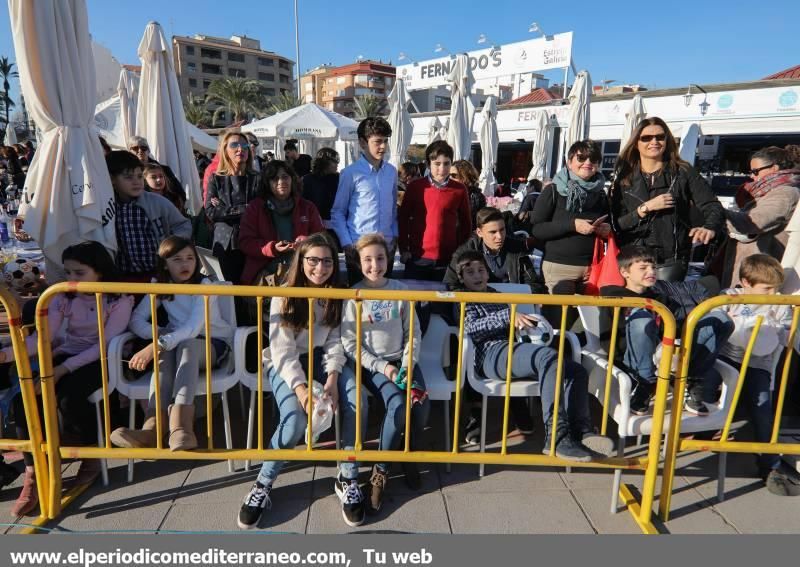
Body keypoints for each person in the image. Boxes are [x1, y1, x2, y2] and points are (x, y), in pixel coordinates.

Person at [237, 233, 368, 530]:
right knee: (294, 419)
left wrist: (333, 378)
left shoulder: (337, 293)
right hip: (287, 364)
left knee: (355, 401)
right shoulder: (284, 294)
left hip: (323, 360)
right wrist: (301, 389)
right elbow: (282, 350)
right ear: (301, 261)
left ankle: (347, 477)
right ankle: (263, 483)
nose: (320, 268)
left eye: (326, 261)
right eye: (313, 260)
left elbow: (336, 341)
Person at [0, 241, 134, 516]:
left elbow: (104, 344)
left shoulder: (119, 298)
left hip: (102, 360)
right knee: (24, 398)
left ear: (100, 272)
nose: (71, 279)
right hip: (64, 355)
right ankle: (34, 471)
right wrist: (7, 354)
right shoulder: (60, 297)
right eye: (68, 272)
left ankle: (91, 454)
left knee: (68, 398)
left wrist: (62, 369)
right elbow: (42, 338)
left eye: (79, 273)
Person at [455, 250, 612, 460]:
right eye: (470, 272)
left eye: (481, 270)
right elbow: (470, 328)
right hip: (488, 354)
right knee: (549, 358)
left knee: (576, 370)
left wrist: (529, 326)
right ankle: (556, 437)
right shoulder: (462, 299)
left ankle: (581, 430)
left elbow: (512, 325)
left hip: (513, 349)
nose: (477, 275)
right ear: (461, 278)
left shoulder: (497, 295)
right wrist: (508, 316)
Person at [110, 236, 234, 452]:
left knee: (186, 345)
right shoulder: (160, 286)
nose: (185, 264)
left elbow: (193, 329)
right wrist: (161, 335)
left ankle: (181, 427)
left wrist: (157, 343)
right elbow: (136, 320)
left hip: (214, 344)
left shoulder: (205, 286)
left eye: (190, 258)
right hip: (177, 344)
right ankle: (152, 427)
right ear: (164, 264)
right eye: (177, 259)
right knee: (168, 351)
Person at [340, 233, 429, 513]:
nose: (375, 265)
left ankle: (408, 453)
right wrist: (384, 368)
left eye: (380, 258)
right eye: (368, 259)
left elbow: (412, 333)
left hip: (403, 363)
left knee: (421, 406)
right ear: (358, 262)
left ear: (388, 259)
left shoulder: (400, 289)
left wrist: (405, 365)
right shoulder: (353, 295)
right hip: (374, 366)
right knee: (399, 405)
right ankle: (381, 470)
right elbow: (350, 344)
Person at [704, 254, 800, 496]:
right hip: (724, 358)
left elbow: (790, 334)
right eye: (767, 288)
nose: (772, 293)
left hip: (759, 363)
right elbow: (710, 324)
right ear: (746, 282)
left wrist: (775, 330)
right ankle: (696, 432)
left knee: (762, 408)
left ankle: (770, 465)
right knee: (705, 387)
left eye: (775, 289)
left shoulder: (779, 303)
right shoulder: (729, 297)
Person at [601, 245, 734, 416]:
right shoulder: (613, 296)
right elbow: (609, 338)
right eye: (643, 268)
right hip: (631, 358)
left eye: (653, 267)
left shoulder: (661, 298)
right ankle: (646, 385)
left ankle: (692, 381)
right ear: (625, 272)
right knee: (641, 318)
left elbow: (678, 327)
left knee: (722, 320)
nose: (651, 271)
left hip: (664, 356)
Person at [610, 117, 724, 281]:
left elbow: (712, 205)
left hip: (670, 260)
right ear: (636, 143)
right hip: (632, 259)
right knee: (632, 306)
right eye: (646, 138)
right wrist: (645, 209)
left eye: (660, 137)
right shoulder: (624, 178)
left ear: (667, 140)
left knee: (663, 305)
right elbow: (617, 225)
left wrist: (709, 227)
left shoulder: (683, 171)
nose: (654, 141)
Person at [531, 140, 611, 295]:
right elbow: (536, 229)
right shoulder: (553, 190)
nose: (587, 162)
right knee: (559, 317)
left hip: (592, 268)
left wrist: (606, 230)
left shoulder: (600, 194)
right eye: (581, 158)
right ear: (569, 162)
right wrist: (572, 225)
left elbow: (608, 225)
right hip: (559, 268)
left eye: (593, 159)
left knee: (588, 318)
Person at [718, 146, 800, 288]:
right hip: (751, 275)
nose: (752, 176)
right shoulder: (768, 192)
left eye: (755, 171)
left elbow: (753, 222)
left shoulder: (786, 194)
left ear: (774, 168)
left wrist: (714, 211)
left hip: (761, 279)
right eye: (750, 172)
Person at [331, 117, 398, 285]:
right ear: (362, 142)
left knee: (384, 303)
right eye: (377, 142)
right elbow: (337, 212)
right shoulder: (350, 173)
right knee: (359, 302)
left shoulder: (391, 172)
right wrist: (347, 244)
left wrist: (395, 236)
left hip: (386, 248)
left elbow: (393, 210)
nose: (383, 146)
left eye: (385, 141)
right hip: (358, 249)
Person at [107, 151, 192, 282]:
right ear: (112, 179)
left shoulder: (157, 202)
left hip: (158, 273)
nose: (136, 182)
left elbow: (183, 224)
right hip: (124, 276)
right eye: (128, 177)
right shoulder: (109, 207)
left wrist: (172, 244)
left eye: (140, 176)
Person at [238, 160, 324, 286]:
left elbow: (322, 238)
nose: (281, 182)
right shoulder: (255, 208)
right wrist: (272, 248)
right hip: (266, 277)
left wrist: (307, 242)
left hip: (302, 273)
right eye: (274, 178)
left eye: (285, 177)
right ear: (267, 183)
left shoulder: (308, 207)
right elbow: (245, 242)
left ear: (292, 179)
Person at [399, 141, 472, 281]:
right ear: (428, 164)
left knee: (444, 301)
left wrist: (460, 252)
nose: (442, 169)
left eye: (446, 163)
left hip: (448, 258)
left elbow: (466, 223)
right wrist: (404, 249)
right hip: (417, 257)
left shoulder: (459, 189)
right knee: (415, 301)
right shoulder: (416, 187)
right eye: (437, 164)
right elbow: (403, 219)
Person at [205, 131, 261, 283]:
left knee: (249, 291)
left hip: (252, 240)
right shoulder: (216, 178)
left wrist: (225, 209)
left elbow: (260, 210)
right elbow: (211, 212)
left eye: (244, 145)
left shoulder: (257, 179)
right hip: (224, 243)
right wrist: (245, 208)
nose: (240, 149)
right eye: (234, 145)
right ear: (225, 150)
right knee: (227, 291)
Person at [444, 207, 537, 291]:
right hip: (476, 305)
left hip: (514, 306)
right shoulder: (464, 253)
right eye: (493, 232)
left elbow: (534, 284)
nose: (499, 236)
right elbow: (450, 285)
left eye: (502, 230)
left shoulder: (517, 249)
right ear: (479, 232)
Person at [301, 148, 340, 234]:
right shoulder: (308, 180)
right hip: (312, 226)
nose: (337, 164)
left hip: (335, 227)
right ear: (325, 162)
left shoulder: (338, 179)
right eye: (334, 161)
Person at [451, 159, 486, 229]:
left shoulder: (477, 197)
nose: (450, 178)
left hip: (468, 236)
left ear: (465, 177)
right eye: (448, 175)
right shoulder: (445, 195)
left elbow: (481, 223)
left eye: (454, 175)